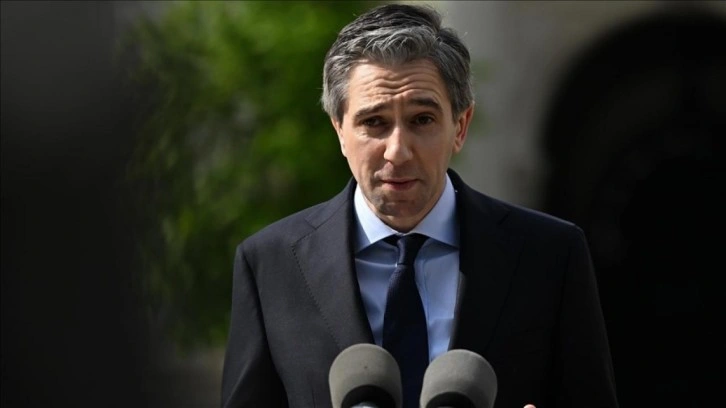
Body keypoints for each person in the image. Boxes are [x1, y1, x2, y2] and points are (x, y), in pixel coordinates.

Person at [221, 4, 618, 408]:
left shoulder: (550, 254)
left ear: (460, 126)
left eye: (422, 119)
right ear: (340, 130)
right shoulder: (271, 264)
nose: (398, 151)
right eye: (374, 122)